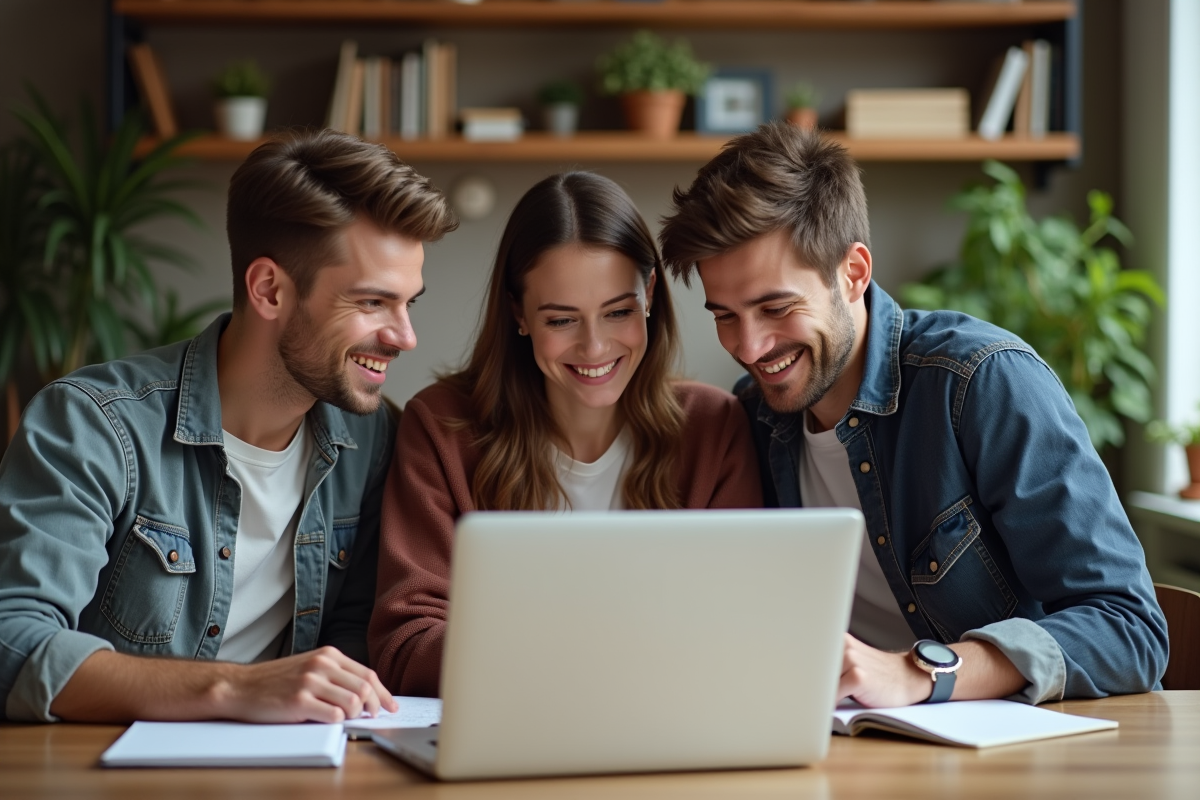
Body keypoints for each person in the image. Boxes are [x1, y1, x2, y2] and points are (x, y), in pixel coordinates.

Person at [657, 123, 1168, 708]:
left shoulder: (981, 382)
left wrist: (921, 672)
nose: (748, 347)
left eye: (776, 307)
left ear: (853, 272)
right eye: (725, 315)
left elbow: (1131, 629)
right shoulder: (755, 417)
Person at [0, 129, 457, 723]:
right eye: (372, 303)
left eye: (408, 303)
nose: (404, 336)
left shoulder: (369, 442)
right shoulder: (94, 424)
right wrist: (233, 690)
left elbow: (352, 642)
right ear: (269, 289)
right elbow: (13, 641)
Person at [368, 172, 762, 696]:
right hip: (514, 733)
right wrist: (600, 651)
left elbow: (744, 628)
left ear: (648, 294)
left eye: (618, 312)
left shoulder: (714, 426)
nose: (595, 348)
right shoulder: (441, 428)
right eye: (561, 320)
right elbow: (404, 645)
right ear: (519, 313)